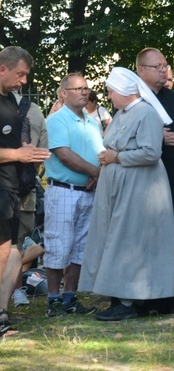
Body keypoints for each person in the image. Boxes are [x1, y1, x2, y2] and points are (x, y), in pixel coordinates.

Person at [79, 67, 174, 321]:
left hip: (139, 187)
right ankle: (118, 296)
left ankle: (128, 301)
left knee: (129, 239)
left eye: (112, 91)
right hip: (120, 185)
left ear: (124, 91)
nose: (109, 96)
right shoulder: (122, 113)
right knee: (116, 238)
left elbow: (151, 152)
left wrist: (117, 157)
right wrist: (108, 157)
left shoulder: (145, 113)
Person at [136, 48, 174, 314]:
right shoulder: (138, 101)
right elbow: (126, 138)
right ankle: (154, 301)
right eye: (157, 66)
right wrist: (157, 137)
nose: (164, 70)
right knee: (158, 239)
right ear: (141, 70)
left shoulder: (172, 97)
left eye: (165, 65)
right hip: (156, 180)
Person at [43, 74, 105, 317]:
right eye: (77, 88)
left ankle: (69, 297)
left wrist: (98, 174)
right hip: (63, 191)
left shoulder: (93, 123)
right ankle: (53, 300)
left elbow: (100, 153)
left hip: (88, 192)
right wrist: (96, 172)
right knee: (58, 244)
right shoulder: (57, 121)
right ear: (63, 93)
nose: (83, 92)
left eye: (86, 88)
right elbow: (64, 155)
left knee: (80, 247)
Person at [0, 47, 51, 336]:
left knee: (11, 254)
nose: (23, 81)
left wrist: (29, 154)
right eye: (19, 74)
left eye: (26, 75)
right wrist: (18, 154)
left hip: (11, 189)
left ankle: (2, 315)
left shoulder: (10, 101)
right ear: (2, 69)